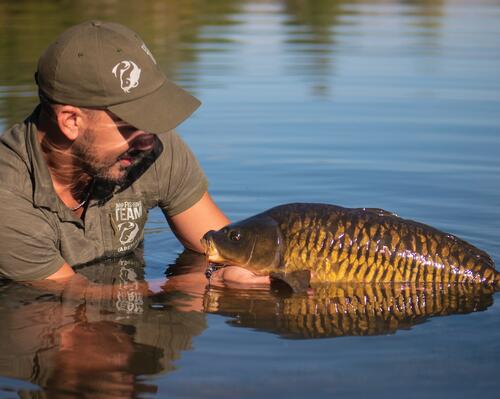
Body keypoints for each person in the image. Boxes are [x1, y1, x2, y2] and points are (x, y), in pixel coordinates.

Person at [0, 20, 269, 285]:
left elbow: (227, 252)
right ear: (71, 121)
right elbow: (69, 300)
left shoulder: (154, 147)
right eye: (132, 124)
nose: (148, 142)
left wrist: (242, 274)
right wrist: (212, 282)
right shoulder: (7, 194)